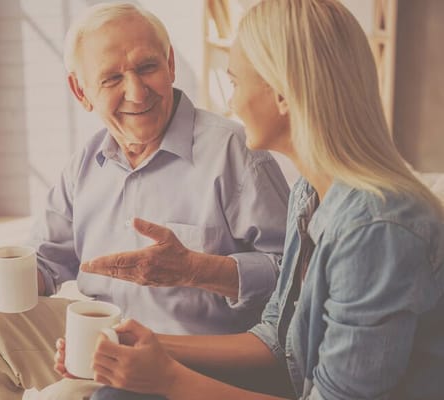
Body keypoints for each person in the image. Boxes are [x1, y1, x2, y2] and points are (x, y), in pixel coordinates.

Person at [51, 0, 444, 399]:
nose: (229, 103)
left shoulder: (375, 230)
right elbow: (277, 339)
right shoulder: (311, 194)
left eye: (236, 83)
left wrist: (168, 378)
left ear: (282, 95)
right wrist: (141, 345)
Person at [0, 3, 290, 399]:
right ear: (81, 91)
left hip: (192, 360)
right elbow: (46, 258)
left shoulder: (237, 152)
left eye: (147, 68)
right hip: (95, 340)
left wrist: (196, 270)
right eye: (111, 79)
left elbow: (296, 277)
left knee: (62, 397)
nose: (137, 92)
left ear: (171, 64)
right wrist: (0, 276)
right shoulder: (86, 163)